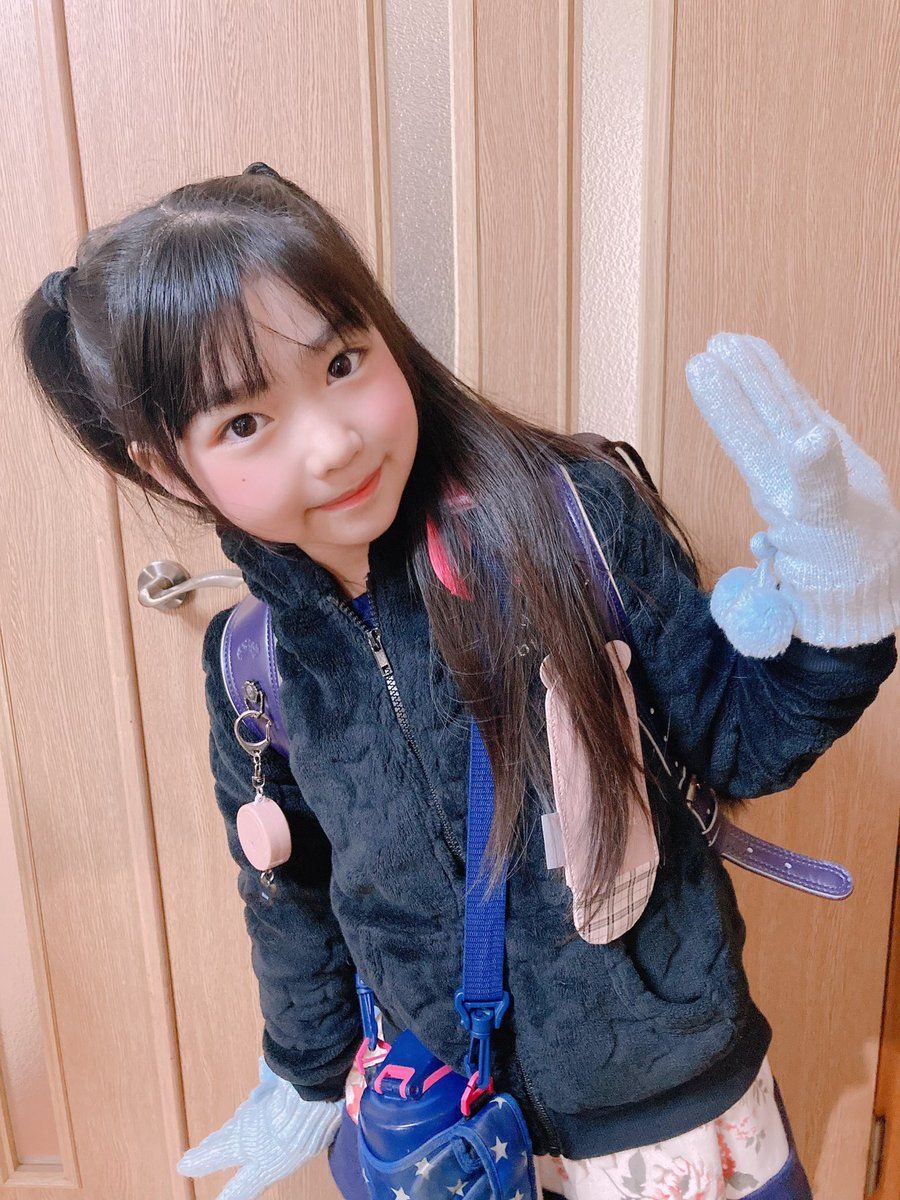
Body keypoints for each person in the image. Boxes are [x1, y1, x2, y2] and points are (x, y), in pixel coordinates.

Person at [17, 162, 898, 1200]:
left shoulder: (570, 520)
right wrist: (304, 1070)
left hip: (666, 1117)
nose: (334, 442)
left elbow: (740, 743)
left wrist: (845, 601)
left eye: (342, 361)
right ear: (168, 467)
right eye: (244, 423)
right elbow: (290, 897)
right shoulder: (251, 663)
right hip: (443, 1133)